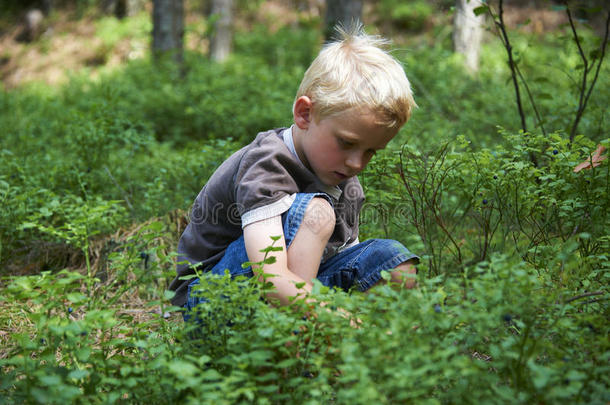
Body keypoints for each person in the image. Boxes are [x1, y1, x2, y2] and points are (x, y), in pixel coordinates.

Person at [169, 24, 420, 320]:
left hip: (295, 293)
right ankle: (292, 346)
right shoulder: (266, 164)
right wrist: (339, 321)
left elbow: (344, 262)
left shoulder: (346, 184)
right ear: (305, 114)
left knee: (391, 261)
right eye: (347, 143)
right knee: (316, 213)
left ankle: (392, 350)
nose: (356, 163)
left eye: (370, 151)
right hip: (210, 299)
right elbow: (271, 280)